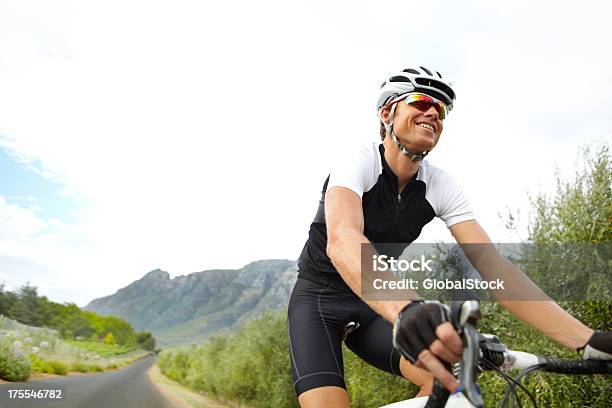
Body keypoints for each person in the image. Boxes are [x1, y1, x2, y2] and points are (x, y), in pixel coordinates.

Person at [287, 66, 612, 407]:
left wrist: (586, 339)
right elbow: (342, 239)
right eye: (421, 101)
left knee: (448, 383)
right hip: (317, 302)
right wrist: (408, 308)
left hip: (370, 309)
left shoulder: (439, 185)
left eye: (440, 109)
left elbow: (495, 270)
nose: (432, 112)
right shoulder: (357, 162)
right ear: (387, 114)